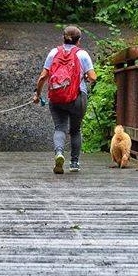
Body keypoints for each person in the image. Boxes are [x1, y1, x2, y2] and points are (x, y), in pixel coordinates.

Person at [33, 25, 97, 174]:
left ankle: (59, 153)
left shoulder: (54, 52)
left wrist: (37, 94)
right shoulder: (82, 55)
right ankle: (74, 163)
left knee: (59, 128)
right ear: (78, 41)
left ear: (63, 38)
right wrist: (86, 77)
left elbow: (43, 76)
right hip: (77, 97)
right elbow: (93, 77)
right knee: (75, 130)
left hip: (56, 98)